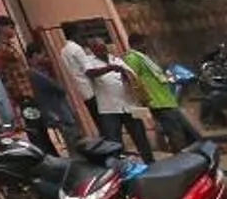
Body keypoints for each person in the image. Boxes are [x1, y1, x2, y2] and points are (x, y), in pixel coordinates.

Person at [84, 27, 155, 162]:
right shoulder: (90, 61)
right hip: (109, 109)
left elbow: (133, 76)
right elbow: (90, 73)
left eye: (104, 46)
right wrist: (110, 68)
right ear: (93, 49)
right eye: (99, 47)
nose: (103, 49)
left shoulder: (116, 59)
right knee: (114, 142)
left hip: (128, 105)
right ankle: (118, 168)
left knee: (140, 136)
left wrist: (125, 74)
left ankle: (150, 162)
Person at [0, 15, 58, 151]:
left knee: (40, 126)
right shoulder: (3, 49)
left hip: (28, 92)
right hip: (23, 95)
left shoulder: (11, 46)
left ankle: (49, 152)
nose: (14, 30)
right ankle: (44, 154)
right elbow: (8, 73)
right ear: (2, 28)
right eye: (11, 27)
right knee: (35, 128)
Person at [122, 39, 202, 150]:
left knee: (186, 129)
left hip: (166, 99)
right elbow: (132, 79)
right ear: (135, 44)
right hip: (157, 101)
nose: (145, 46)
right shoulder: (133, 58)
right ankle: (181, 157)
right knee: (175, 131)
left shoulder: (144, 58)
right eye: (142, 44)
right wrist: (144, 99)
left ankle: (192, 153)